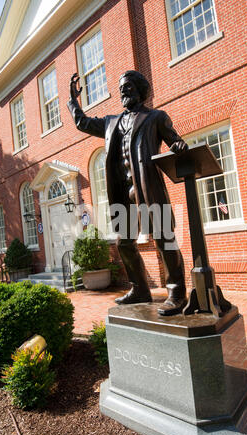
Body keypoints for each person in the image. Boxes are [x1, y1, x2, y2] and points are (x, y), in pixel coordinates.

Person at [67, 70, 188, 315]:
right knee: (124, 242)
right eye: (121, 87)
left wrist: (178, 145)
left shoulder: (156, 117)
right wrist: (73, 102)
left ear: (140, 90)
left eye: (128, 86)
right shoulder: (111, 123)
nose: (123, 90)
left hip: (149, 188)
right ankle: (140, 288)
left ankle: (176, 292)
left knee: (165, 238)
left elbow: (175, 141)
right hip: (122, 192)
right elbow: (83, 123)